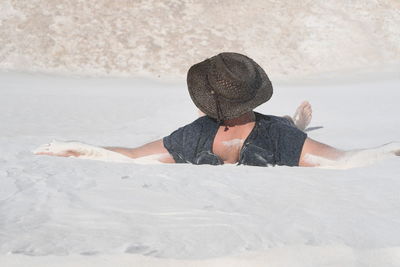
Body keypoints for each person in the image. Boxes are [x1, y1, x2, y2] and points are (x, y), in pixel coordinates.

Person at [34, 52, 400, 169]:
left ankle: (296, 120)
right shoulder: (277, 136)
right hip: (272, 132)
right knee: (287, 127)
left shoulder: (194, 135)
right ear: (252, 94)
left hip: (223, 133)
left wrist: (76, 148)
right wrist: (391, 148)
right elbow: (342, 160)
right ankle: (299, 122)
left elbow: (131, 157)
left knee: (283, 125)